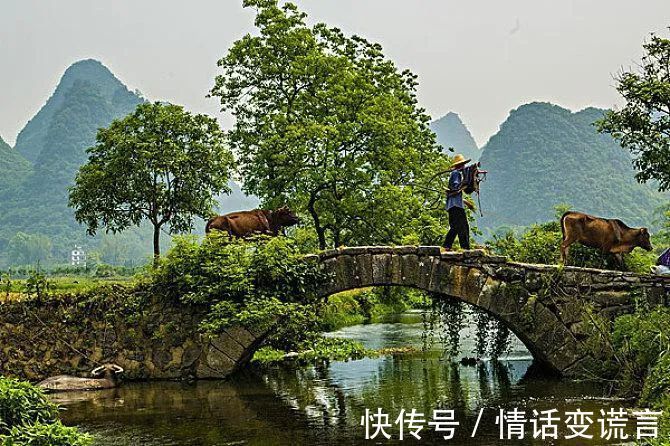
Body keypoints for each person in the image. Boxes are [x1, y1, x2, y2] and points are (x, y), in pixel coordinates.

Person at [442, 153, 474, 251]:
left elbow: (454, 192)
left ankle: (447, 246)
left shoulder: (455, 173)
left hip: (453, 205)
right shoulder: (456, 173)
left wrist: (465, 202)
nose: (464, 166)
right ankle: (465, 248)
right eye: (463, 164)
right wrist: (465, 182)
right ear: (460, 165)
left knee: (455, 226)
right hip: (456, 206)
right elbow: (456, 187)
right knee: (463, 226)